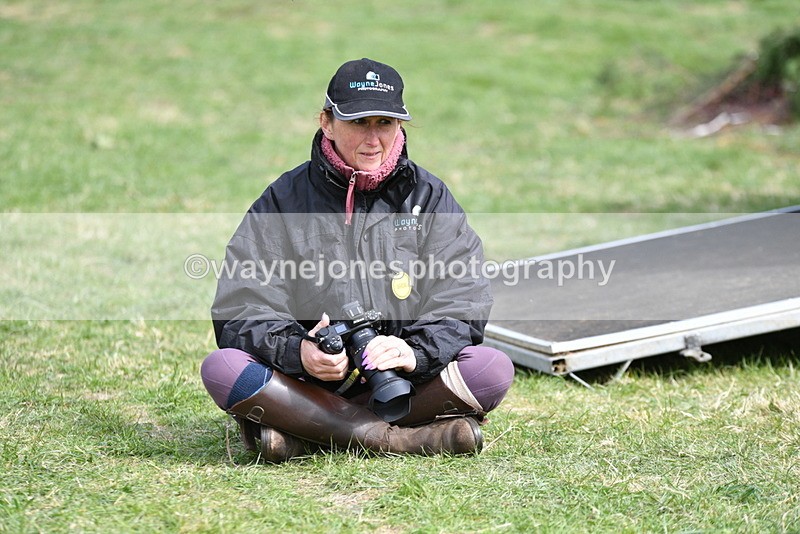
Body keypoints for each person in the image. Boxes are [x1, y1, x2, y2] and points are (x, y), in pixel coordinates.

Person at [201, 58, 514, 462]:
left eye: (385, 123)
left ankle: (306, 435)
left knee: (491, 369)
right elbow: (239, 307)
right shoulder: (283, 200)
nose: (373, 139)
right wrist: (299, 352)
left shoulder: (429, 197)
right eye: (357, 122)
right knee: (223, 368)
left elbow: (464, 299)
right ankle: (403, 439)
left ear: (400, 125)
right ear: (326, 122)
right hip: (307, 385)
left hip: (401, 384)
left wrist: (413, 352)